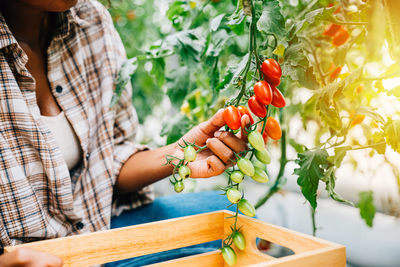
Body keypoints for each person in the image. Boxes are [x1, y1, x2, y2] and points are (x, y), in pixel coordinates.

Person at [0, 0, 250, 266]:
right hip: (29, 257)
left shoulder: (90, 20)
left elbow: (108, 161)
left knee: (230, 216)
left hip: (95, 228)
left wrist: (182, 153)